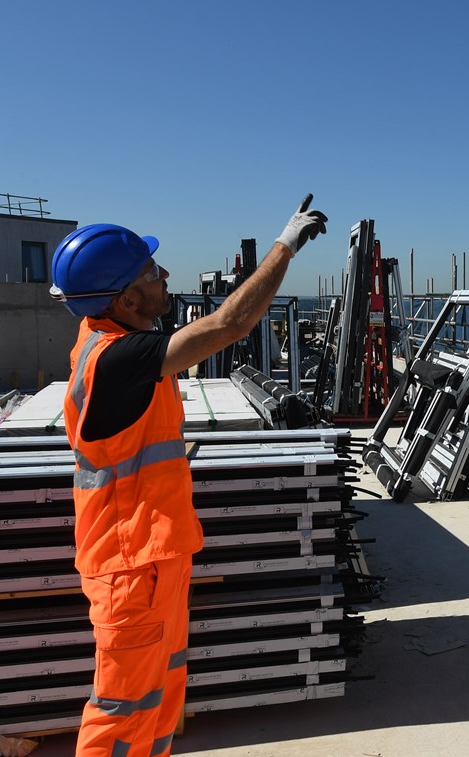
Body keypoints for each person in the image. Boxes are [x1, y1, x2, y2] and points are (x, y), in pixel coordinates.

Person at [48, 194, 328, 756]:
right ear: (126, 298)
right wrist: (285, 247)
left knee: (158, 703)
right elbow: (231, 323)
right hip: (131, 568)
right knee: (121, 714)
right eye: (151, 270)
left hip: (153, 560)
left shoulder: (114, 344)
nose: (165, 274)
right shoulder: (114, 358)